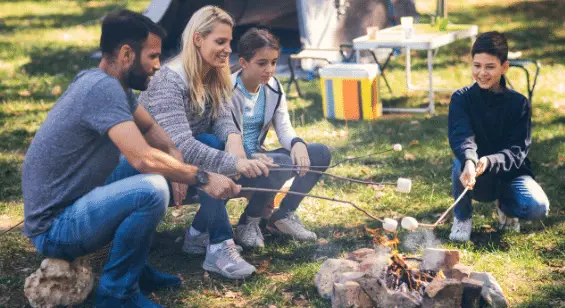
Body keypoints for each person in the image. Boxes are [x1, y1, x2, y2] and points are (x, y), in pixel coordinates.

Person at [21, 10, 240, 308]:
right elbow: (142, 159)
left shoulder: (110, 84)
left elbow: (149, 127)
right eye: (151, 57)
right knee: (151, 188)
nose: (157, 66)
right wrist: (202, 177)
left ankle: (137, 272)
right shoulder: (102, 89)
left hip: (79, 204)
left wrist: (174, 152)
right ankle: (117, 295)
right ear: (126, 54)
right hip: (56, 228)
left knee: (157, 171)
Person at [109, 6, 274, 280]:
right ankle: (219, 245)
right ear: (198, 39)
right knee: (209, 146)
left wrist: (234, 140)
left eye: (229, 42)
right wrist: (235, 162)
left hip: (175, 163)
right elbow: (181, 145)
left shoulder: (212, 73)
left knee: (213, 141)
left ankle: (199, 235)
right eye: (220, 42)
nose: (227, 49)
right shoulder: (169, 79)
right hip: (134, 167)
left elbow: (222, 119)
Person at [226, 28, 332, 248]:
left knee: (320, 153)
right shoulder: (229, 90)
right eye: (262, 63)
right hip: (231, 161)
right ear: (244, 62)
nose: (270, 70)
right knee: (280, 164)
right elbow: (228, 137)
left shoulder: (273, 87)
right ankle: (250, 221)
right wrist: (254, 156)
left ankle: (283, 215)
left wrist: (297, 143)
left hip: (259, 157)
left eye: (274, 62)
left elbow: (284, 128)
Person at [447, 31, 549, 242]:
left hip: (510, 175)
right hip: (475, 176)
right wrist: (471, 160)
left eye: (490, 67)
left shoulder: (519, 104)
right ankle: (463, 218)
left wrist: (489, 161)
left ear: (504, 67)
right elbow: (462, 135)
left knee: (538, 207)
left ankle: (507, 207)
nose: (482, 73)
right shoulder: (461, 99)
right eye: (477, 66)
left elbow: (517, 152)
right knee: (461, 160)